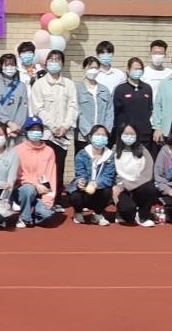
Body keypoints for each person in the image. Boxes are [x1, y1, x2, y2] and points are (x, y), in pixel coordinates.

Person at [30, 49, 77, 196]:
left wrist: (65, 126)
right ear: (46, 63)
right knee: (44, 168)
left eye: (57, 60)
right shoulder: (39, 84)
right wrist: (54, 126)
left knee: (59, 167)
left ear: (62, 64)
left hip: (63, 135)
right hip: (46, 134)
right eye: (51, 60)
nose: (54, 63)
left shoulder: (69, 84)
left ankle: (56, 198)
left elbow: (73, 107)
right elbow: (38, 109)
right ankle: (44, 198)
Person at [113, 123, 161, 227]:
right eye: (126, 134)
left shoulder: (143, 151)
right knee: (128, 212)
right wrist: (115, 187)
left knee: (150, 188)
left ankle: (143, 216)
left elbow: (147, 175)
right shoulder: (114, 151)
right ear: (120, 135)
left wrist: (127, 185)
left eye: (132, 134)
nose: (129, 137)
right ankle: (124, 212)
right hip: (120, 188)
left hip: (138, 186)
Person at [14, 117, 58, 227]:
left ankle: (35, 207)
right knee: (28, 190)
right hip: (24, 188)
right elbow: (18, 175)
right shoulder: (18, 150)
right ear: (26, 131)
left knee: (46, 214)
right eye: (32, 129)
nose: (35, 132)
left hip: (43, 191)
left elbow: (51, 177)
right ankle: (24, 218)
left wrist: (47, 201)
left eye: (38, 129)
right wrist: (35, 184)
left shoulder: (49, 151)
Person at [68, 125, 115, 225]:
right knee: (74, 193)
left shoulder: (110, 156)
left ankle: (97, 214)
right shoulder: (82, 154)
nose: (100, 137)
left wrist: (96, 183)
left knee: (107, 191)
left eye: (103, 135)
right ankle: (78, 212)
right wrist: (81, 181)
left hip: (99, 190)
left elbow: (108, 177)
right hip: (85, 190)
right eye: (97, 134)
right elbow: (80, 173)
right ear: (90, 137)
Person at [75, 56, 114, 159]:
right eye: (91, 67)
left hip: (101, 138)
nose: (93, 70)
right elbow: (77, 112)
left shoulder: (104, 90)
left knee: (101, 162)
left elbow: (109, 112)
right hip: (83, 137)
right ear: (84, 68)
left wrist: (105, 132)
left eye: (96, 68)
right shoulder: (77, 89)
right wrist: (90, 133)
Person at [112, 57, 154, 153]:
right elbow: (116, 112)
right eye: (135, 69)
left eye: (140, 69)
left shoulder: (147, 88)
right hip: (126, 135)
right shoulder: (120, 89)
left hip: (144, 134)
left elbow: (150, 109)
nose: (138, 71)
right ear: (128, 70)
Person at [0, 53, 29, 140]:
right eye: (7, 65)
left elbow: (23, 109)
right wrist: (8, 123)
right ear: (1, 66)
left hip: (17, 130)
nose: (10, 67)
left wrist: (17, 126)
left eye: (12, 64)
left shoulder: (21, 86)